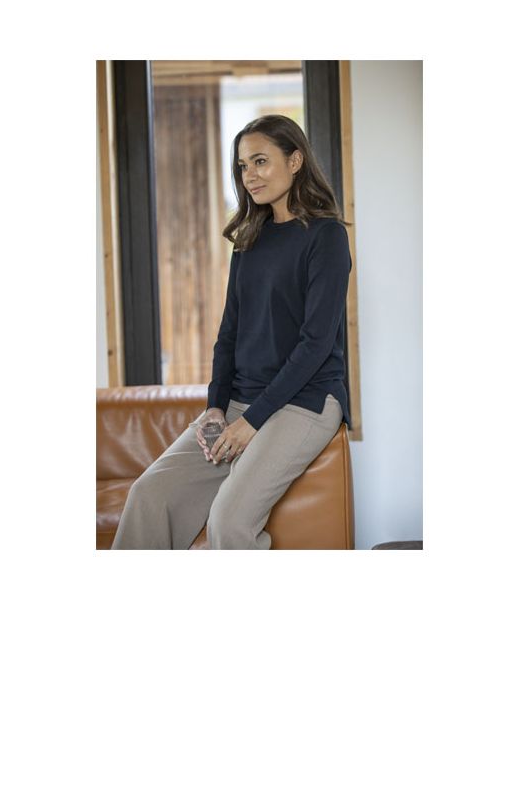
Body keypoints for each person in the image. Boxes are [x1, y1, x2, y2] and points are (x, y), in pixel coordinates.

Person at [111, 113, 353, 550]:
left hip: (306, 401)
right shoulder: (249, 240)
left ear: (295, 160)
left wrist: (252, 422)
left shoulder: (326, 237)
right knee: (148, 495)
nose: (250, 175)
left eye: (260, 161)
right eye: (243, 166)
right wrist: (215, 408)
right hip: (243, 400)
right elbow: (230, 333)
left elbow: (316, 344)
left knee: (229, 519)